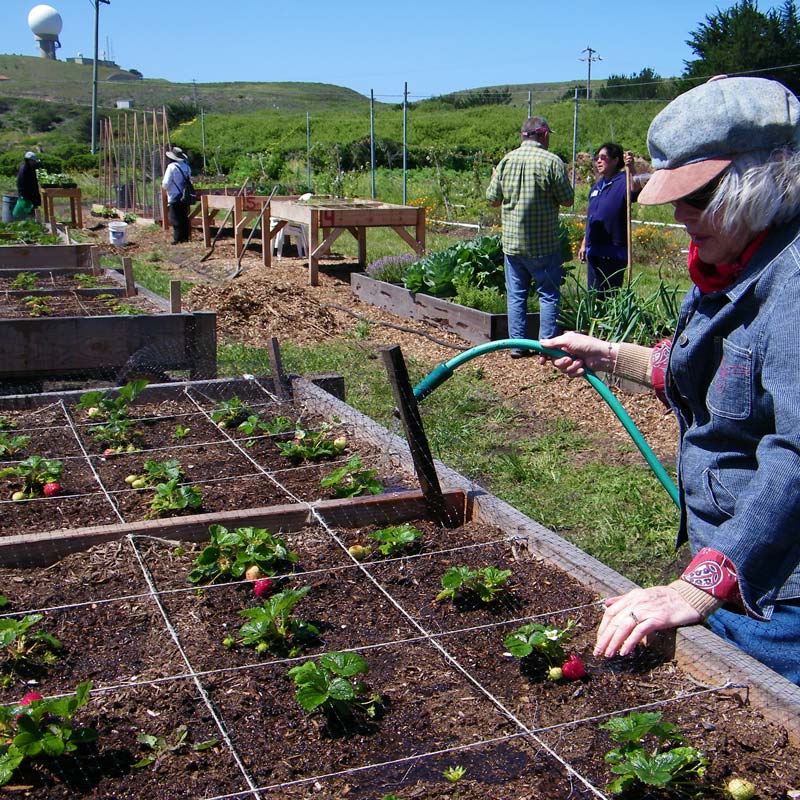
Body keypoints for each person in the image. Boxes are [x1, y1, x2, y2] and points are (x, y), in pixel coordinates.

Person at [540, 75, 800, 685]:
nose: (680, 213)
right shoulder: (734, 256)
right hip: (739, 570)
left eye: (699, 195)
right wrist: (604, 353)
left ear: (764, 181)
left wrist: (700, 586)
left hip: (779, 590)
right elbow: (714, 373)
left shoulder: (793, 284)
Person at [486, 117, 574, 358]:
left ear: (522, 135)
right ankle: (546, 347)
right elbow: (568, 200)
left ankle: (517, 346)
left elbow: (492, 199)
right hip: (543, 244)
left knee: (516, 295)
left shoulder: (506, 161)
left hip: (513, 244)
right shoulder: (552, 161)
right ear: (544, 135)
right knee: (548, 294)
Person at [579, 143, 638, 296]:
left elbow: (635, 193)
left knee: (610, 295)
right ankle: (593, 320)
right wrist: (584, 244)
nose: (598, 161)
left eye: (603, 157)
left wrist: (631, 168)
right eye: (596, 158)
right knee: (593, 296)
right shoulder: (596, 187)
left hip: (614, 251)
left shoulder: (623, 181)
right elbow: (591, 218)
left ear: (615, 160)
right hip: (594, 250)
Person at [161, 147, 192, 244]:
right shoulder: (187, 167)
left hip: (174, 195)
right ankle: (185, 237)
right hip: (185, 195)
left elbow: (166, 183)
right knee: (184, 217)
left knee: (175, 218)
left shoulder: (171, 167)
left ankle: (177, 238)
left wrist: (165, 188)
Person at [15, 151, 41, 220]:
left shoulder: (31, 168)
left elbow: (34, 183)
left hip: (32, 194)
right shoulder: (24, 170)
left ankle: (34, 224)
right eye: (33, 161)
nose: (35, 162)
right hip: (27, 196)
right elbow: (20, 184)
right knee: (27, 213)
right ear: (29, 160)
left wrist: (37, 196)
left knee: (33, 212)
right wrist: (23, 196)